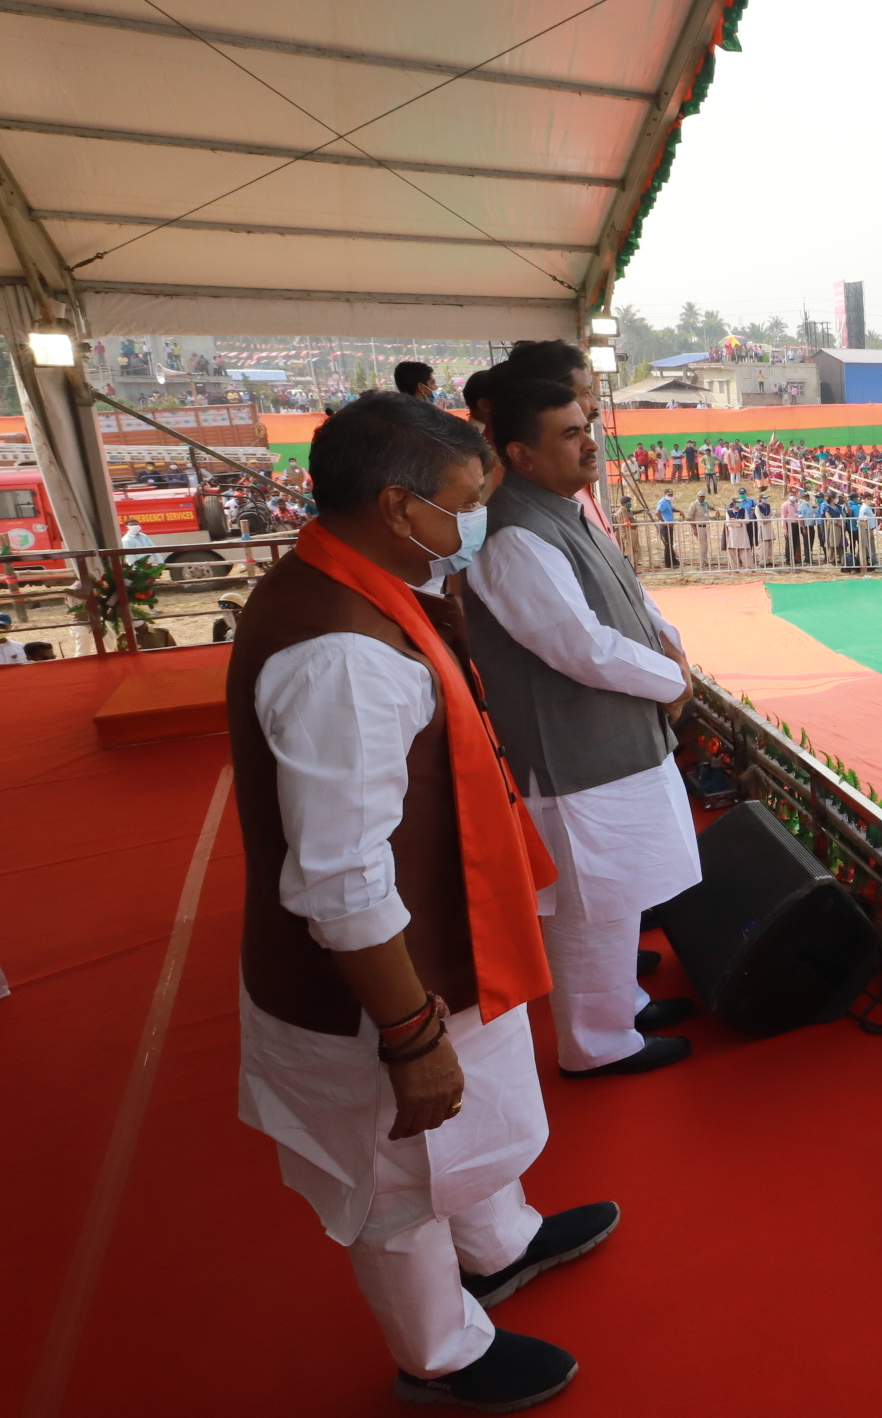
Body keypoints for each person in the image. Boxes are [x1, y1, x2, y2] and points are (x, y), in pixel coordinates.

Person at [227, 392, 613, 1412]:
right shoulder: (345, 655)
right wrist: (408, 1032)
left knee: (459, 1135)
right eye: (466, 501)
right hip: (377, 993)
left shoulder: (365, 585)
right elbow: (342, 875)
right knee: (397, 1175)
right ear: (401, 510)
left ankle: (501, 1242)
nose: (479, 519)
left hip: (440, 948)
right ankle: (437, 1351)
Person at [464, 380, 701, 1078]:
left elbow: (629, 593)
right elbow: (580, 645)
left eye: (585, 425)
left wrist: (671, 645)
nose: (589, 440)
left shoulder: (565, 509)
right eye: (569, 433)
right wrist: (673, 681)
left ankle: (618, 1005)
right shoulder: (514, 534)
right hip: (572, 760)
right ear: (521, 454)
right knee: (589, 904)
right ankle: (596, 1044)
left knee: (617, 890)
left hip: (611, 746)